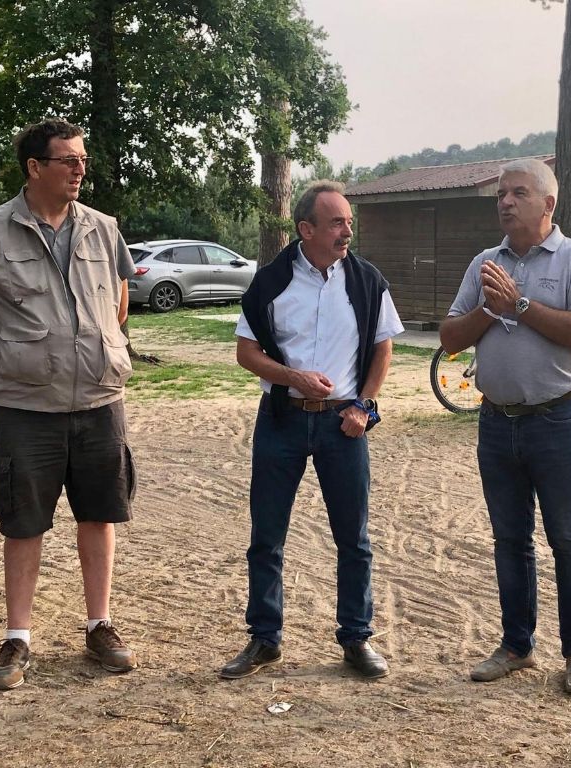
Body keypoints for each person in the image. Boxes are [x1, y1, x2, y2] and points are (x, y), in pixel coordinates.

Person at [0, 118, 139, 690]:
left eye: (83, 159)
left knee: (99, 513)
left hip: (99, 399)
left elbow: (119, 307)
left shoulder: (104, 229)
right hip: (24, 407)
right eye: (68, 160)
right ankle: (18, 638)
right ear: (35, 167)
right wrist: (26, 360)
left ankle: (99, 625)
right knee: (24, 519)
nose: (80, 169)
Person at [219, 180, 404, 680]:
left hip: (344, 424)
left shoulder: (367, 281)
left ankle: (356, 638)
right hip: (281, 419)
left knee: (354, 539)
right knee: (266, 535)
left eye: (349, 222)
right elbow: (246, 353)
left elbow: (383, 347)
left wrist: (364, 406)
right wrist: (292, 377)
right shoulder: (270, 282)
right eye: (337, 222)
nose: (347, 231)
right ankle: (265, 639)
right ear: (306, 229)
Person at [439, 158, 571, 694]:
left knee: (569, 538)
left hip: (558, 419)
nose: (506, 203)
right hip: (496, 422)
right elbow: (450, 337)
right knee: (510, 539)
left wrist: (520, 304)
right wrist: (491, 310)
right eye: (500, 195)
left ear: (548, 204)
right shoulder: (485, 263)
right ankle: (516, 646)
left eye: (517, 193)